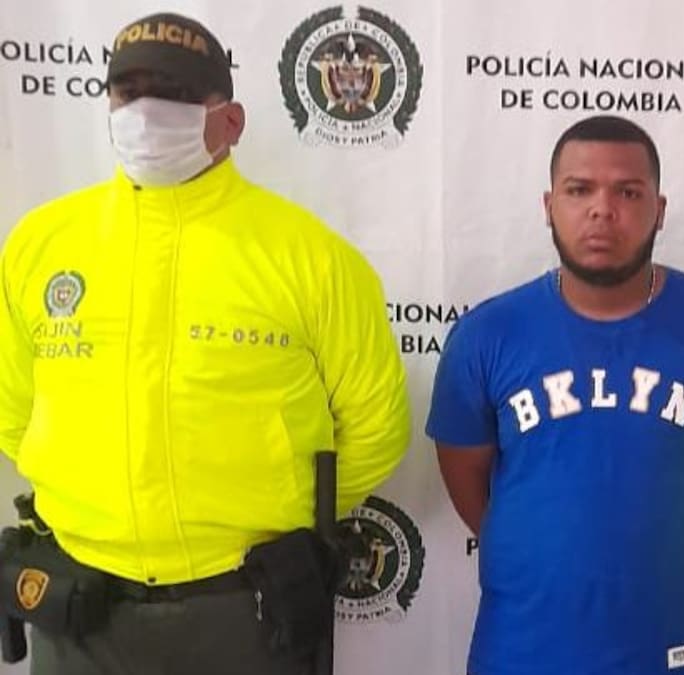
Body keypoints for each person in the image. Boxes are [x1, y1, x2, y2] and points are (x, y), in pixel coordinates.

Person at [0, 12, 410, 675]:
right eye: (129, 91)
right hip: (80, 608)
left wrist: (279, 515)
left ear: (232, 120)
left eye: (176, 93)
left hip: (244, 608)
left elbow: (376, 426)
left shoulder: (313, 258)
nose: (147, 111)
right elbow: (15, 411)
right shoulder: (41, 245)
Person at [426, 115, 684, 675]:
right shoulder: (486, 335)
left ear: (658, 210)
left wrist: (665, 552)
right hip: (520, 656)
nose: (602, 209)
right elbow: (471, 486)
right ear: (549, 206)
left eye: (628, 192)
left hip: (680, 656)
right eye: (579, 190)